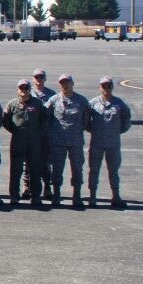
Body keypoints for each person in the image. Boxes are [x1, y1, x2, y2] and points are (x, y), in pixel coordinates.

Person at [86, 77, 132, 208]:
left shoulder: (120, 104)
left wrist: (115, 132)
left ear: (112, 87)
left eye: (108, 86)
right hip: (97, 143)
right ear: (100, 87)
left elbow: (126, 121)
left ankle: (116, 196)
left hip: (113, 144)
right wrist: (95, 131)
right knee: (94, 170)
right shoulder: (93, 103)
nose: (106, 88)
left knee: (113, 171)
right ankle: (92, 197)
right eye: (104, 86)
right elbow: (86, 121)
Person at [46, 74, 91, 207]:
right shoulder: (53, 100)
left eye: (67, 83)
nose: (65, 85)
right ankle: (56, 195)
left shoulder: (82, 101)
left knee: (77, 169)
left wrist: (76, 131)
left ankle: (76, 196)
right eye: (62, 83)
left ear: (72, 83)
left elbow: (86, 121)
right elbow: (47, 119)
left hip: (75, 141)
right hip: (57, 142)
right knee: (57, 169)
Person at [2, 79, 48, 206]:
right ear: (18, 89)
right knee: (15, 170)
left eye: (26, 88)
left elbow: (44, 120)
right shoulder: (12, 104)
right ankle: (14, 196)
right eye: (21, 88)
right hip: (18, 140)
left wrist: (38, 134)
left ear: (29, 89)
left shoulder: (38, 104)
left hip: (34, 141)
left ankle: (36, 196)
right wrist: (16, 132)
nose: (24, 90)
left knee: (35, 169)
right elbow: (6, 122)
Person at [27, 68, 56, 200]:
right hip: (30, 135)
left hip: (45, 135)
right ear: (33, 79)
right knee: (27, 163)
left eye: (41, 77)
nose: (39, 80)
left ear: (45, 78)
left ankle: (47, 187)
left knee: (46, 163)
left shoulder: (52, 95)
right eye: (36, 77)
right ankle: (27, 187)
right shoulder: (27, 92)